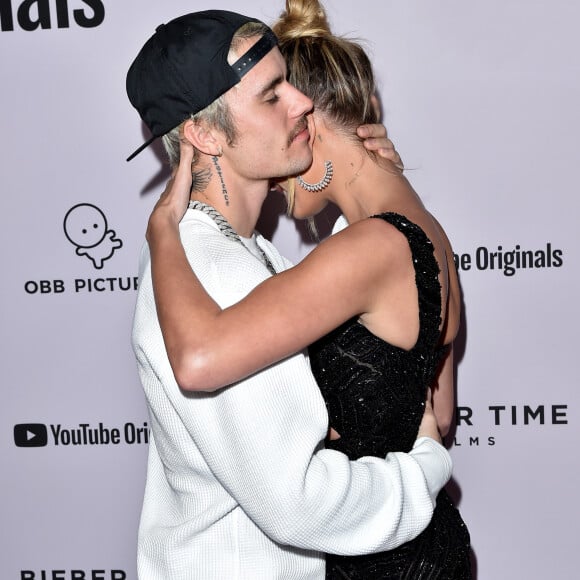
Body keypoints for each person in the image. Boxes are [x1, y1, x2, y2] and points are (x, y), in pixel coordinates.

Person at [143, 2, 473, 579]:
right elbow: (298, 499)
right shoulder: (211, 270)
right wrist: (421, 471)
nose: (301, 107)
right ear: (202, 131)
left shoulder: (262, 257)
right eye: (273, 96)